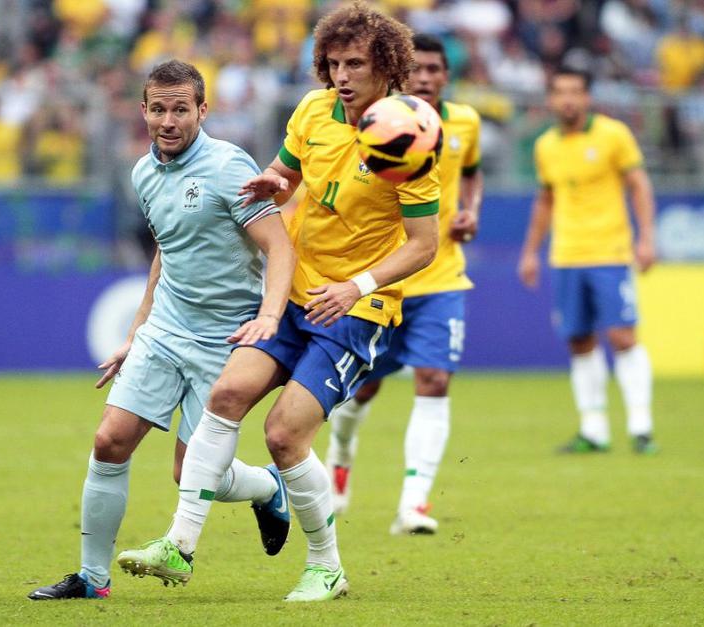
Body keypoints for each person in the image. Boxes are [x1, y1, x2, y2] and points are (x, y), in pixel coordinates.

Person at [116, 2, 439, 602]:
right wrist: (272, 182)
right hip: (294, 294)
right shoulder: (314, 111)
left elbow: (424, 245)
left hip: (354, 313)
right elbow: (283, 175)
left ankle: (326, 566)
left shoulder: (407, 137)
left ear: (388, 66)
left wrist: (358, 287)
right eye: (334, 63)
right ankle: (179, 546)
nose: (342, 76)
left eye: (356, 64)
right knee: (227, 394)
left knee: (285, 435)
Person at [28, 59, 296, 601]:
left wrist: (268, 316)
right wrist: (136, 332)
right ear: (143, 110)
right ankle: (92, 579)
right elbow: (165, 254)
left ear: (203, 110)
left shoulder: (227, 167)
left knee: (193, 477)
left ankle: (268, 486)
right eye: (158, 109)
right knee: (109, 441)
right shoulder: (142, 173)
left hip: (224, 340)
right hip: (165, 331)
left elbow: (280, 246)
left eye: (180, 109)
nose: (168, 121)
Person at [324, 33, 485, 535]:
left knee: (434, 381)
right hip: (383, 281)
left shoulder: (466, 123)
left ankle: (413, 504)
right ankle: (339, 463)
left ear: (446, 75)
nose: (427, 78)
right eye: (419, 70)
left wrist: (469, 212)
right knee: (361, 392)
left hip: (441, 278)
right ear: (401, 73)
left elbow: (472, 174)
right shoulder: (374, 122)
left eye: (436, 70)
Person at [517, 66, 658, 455]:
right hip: (566, 256)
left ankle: (641, 426)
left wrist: (646, 238)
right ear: (550, 99)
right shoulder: (546, 145)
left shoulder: (613, 134)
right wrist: (530, 251)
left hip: (610, 253)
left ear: (587, 97)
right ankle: (593, 429)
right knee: (579, 340)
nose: (567, 99)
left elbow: (638, 184)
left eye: (575, 91)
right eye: (560, 91)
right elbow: (545, 199)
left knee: (622, 336)